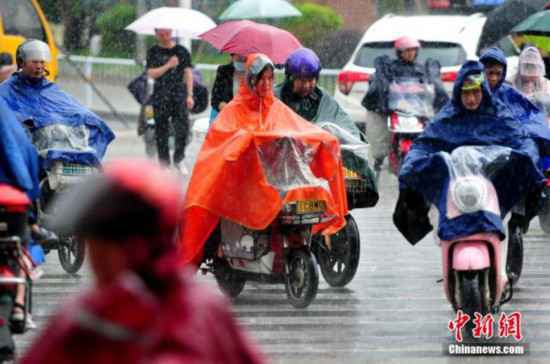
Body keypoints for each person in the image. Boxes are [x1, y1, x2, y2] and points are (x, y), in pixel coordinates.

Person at [20, 159, 265, 364]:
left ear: (135, 245)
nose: (96, 259)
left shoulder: (90, 316)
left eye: (104, 243)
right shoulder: (208, 311)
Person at [179, 53, 348, 266]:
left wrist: (325, 139)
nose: (267, 84)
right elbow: (222, 142)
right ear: (251, 79)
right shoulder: (234, 109)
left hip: (274, 179)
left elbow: (298, 127)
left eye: (270, 78)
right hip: (243, 182)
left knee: (309, 192)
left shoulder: (274, 106)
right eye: (262, 78)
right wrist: (246, 139)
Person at [393, 60, 549, 244]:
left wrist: (525, 158)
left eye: (476, 92)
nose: (472, 99)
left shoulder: (498, 115)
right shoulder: (447, 118)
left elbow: (523, 140)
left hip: (492, 189)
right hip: (455, 189)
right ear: (458, 92)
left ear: (483, 91)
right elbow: (423, 144)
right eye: (466, 93)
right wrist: (412, 163)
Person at [361, 36, 449, 174]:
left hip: (417, 111)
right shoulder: (390, 68)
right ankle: (380, 158)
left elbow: (429, 87)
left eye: (413, 50)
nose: (410, 53)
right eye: (407, 50)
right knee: (381, 138)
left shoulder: (421, 69)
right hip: (395, 109)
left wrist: (429, 92)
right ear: (399, 52)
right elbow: (381, 84)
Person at [275, 47, 361, 138]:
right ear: (290, 78)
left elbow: (350, 133)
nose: (307, 86)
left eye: (311, 80)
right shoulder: (274, 97)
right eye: (302, 81)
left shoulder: (324, 101)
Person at [146, 28, 194, 172]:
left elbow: (188, 73)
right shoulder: (153, 51)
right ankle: (164, 163)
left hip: (179, 94)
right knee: (161, 130)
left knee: (182, 128)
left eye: (167, 33)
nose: (164, 36)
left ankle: (179, 158)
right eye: (161, 33)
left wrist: (190, 95)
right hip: (160, 94)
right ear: (156, 34)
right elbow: (150, 73)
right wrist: (168, 65)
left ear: (171, 32)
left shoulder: (182, 51)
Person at [210, 53, 247, 123]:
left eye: (244, 59)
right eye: (238, 58)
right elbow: (215, 99)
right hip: (224, 114)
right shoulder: (223, 71)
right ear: (232, 56)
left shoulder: (254, 75)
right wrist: (223, 106)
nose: (242, 58)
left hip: (245, 116)